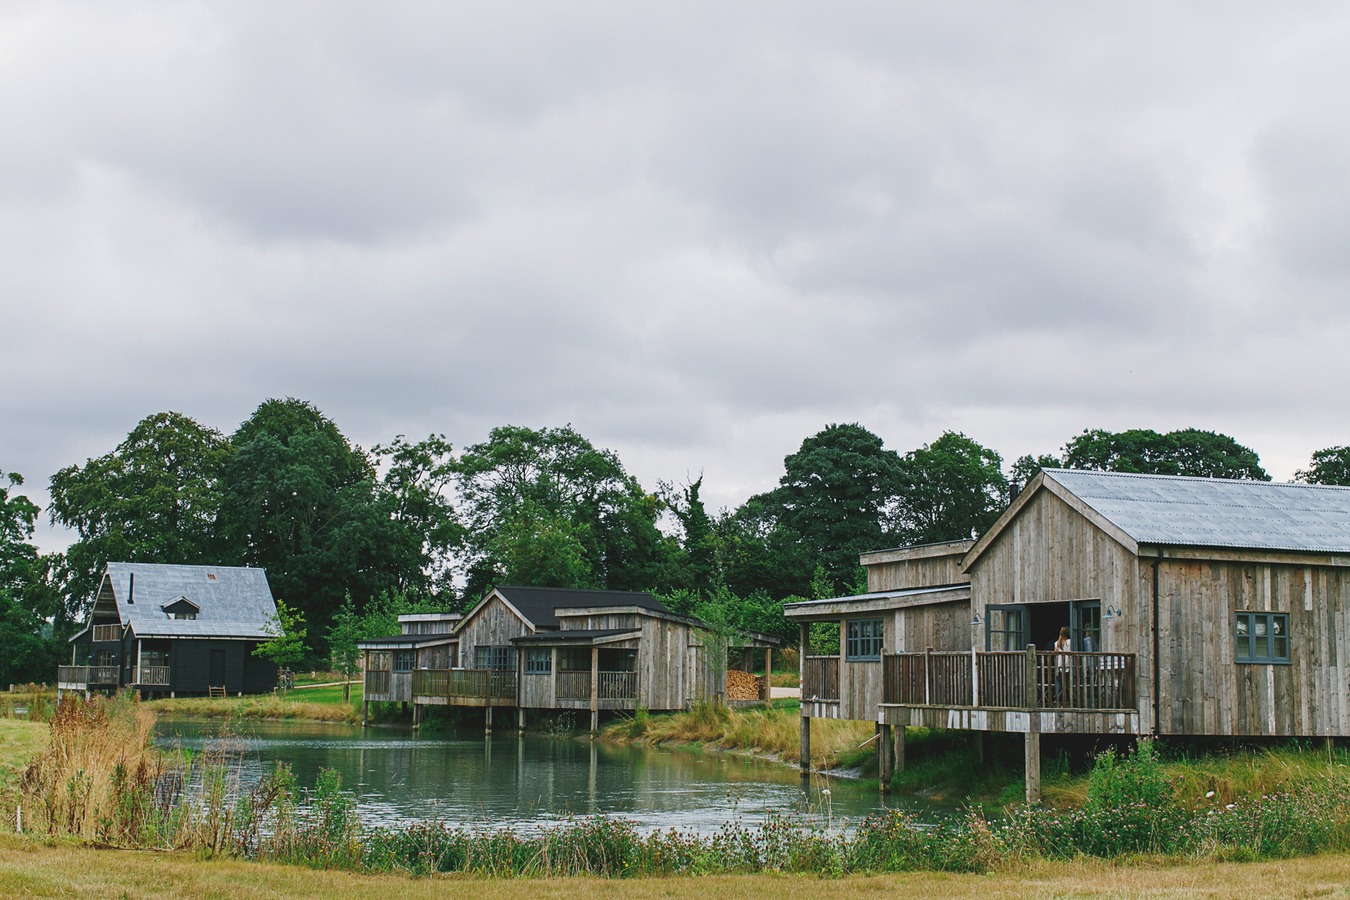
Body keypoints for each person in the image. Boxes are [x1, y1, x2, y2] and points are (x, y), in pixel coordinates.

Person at [1054, 626, 1072, 705]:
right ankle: (1068, 701)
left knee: (1060, 685)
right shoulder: (1070, 642)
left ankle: (1060, 702)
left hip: (1059, 666)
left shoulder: (1056, 643)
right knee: (1069, 684)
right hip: (1068, 665)